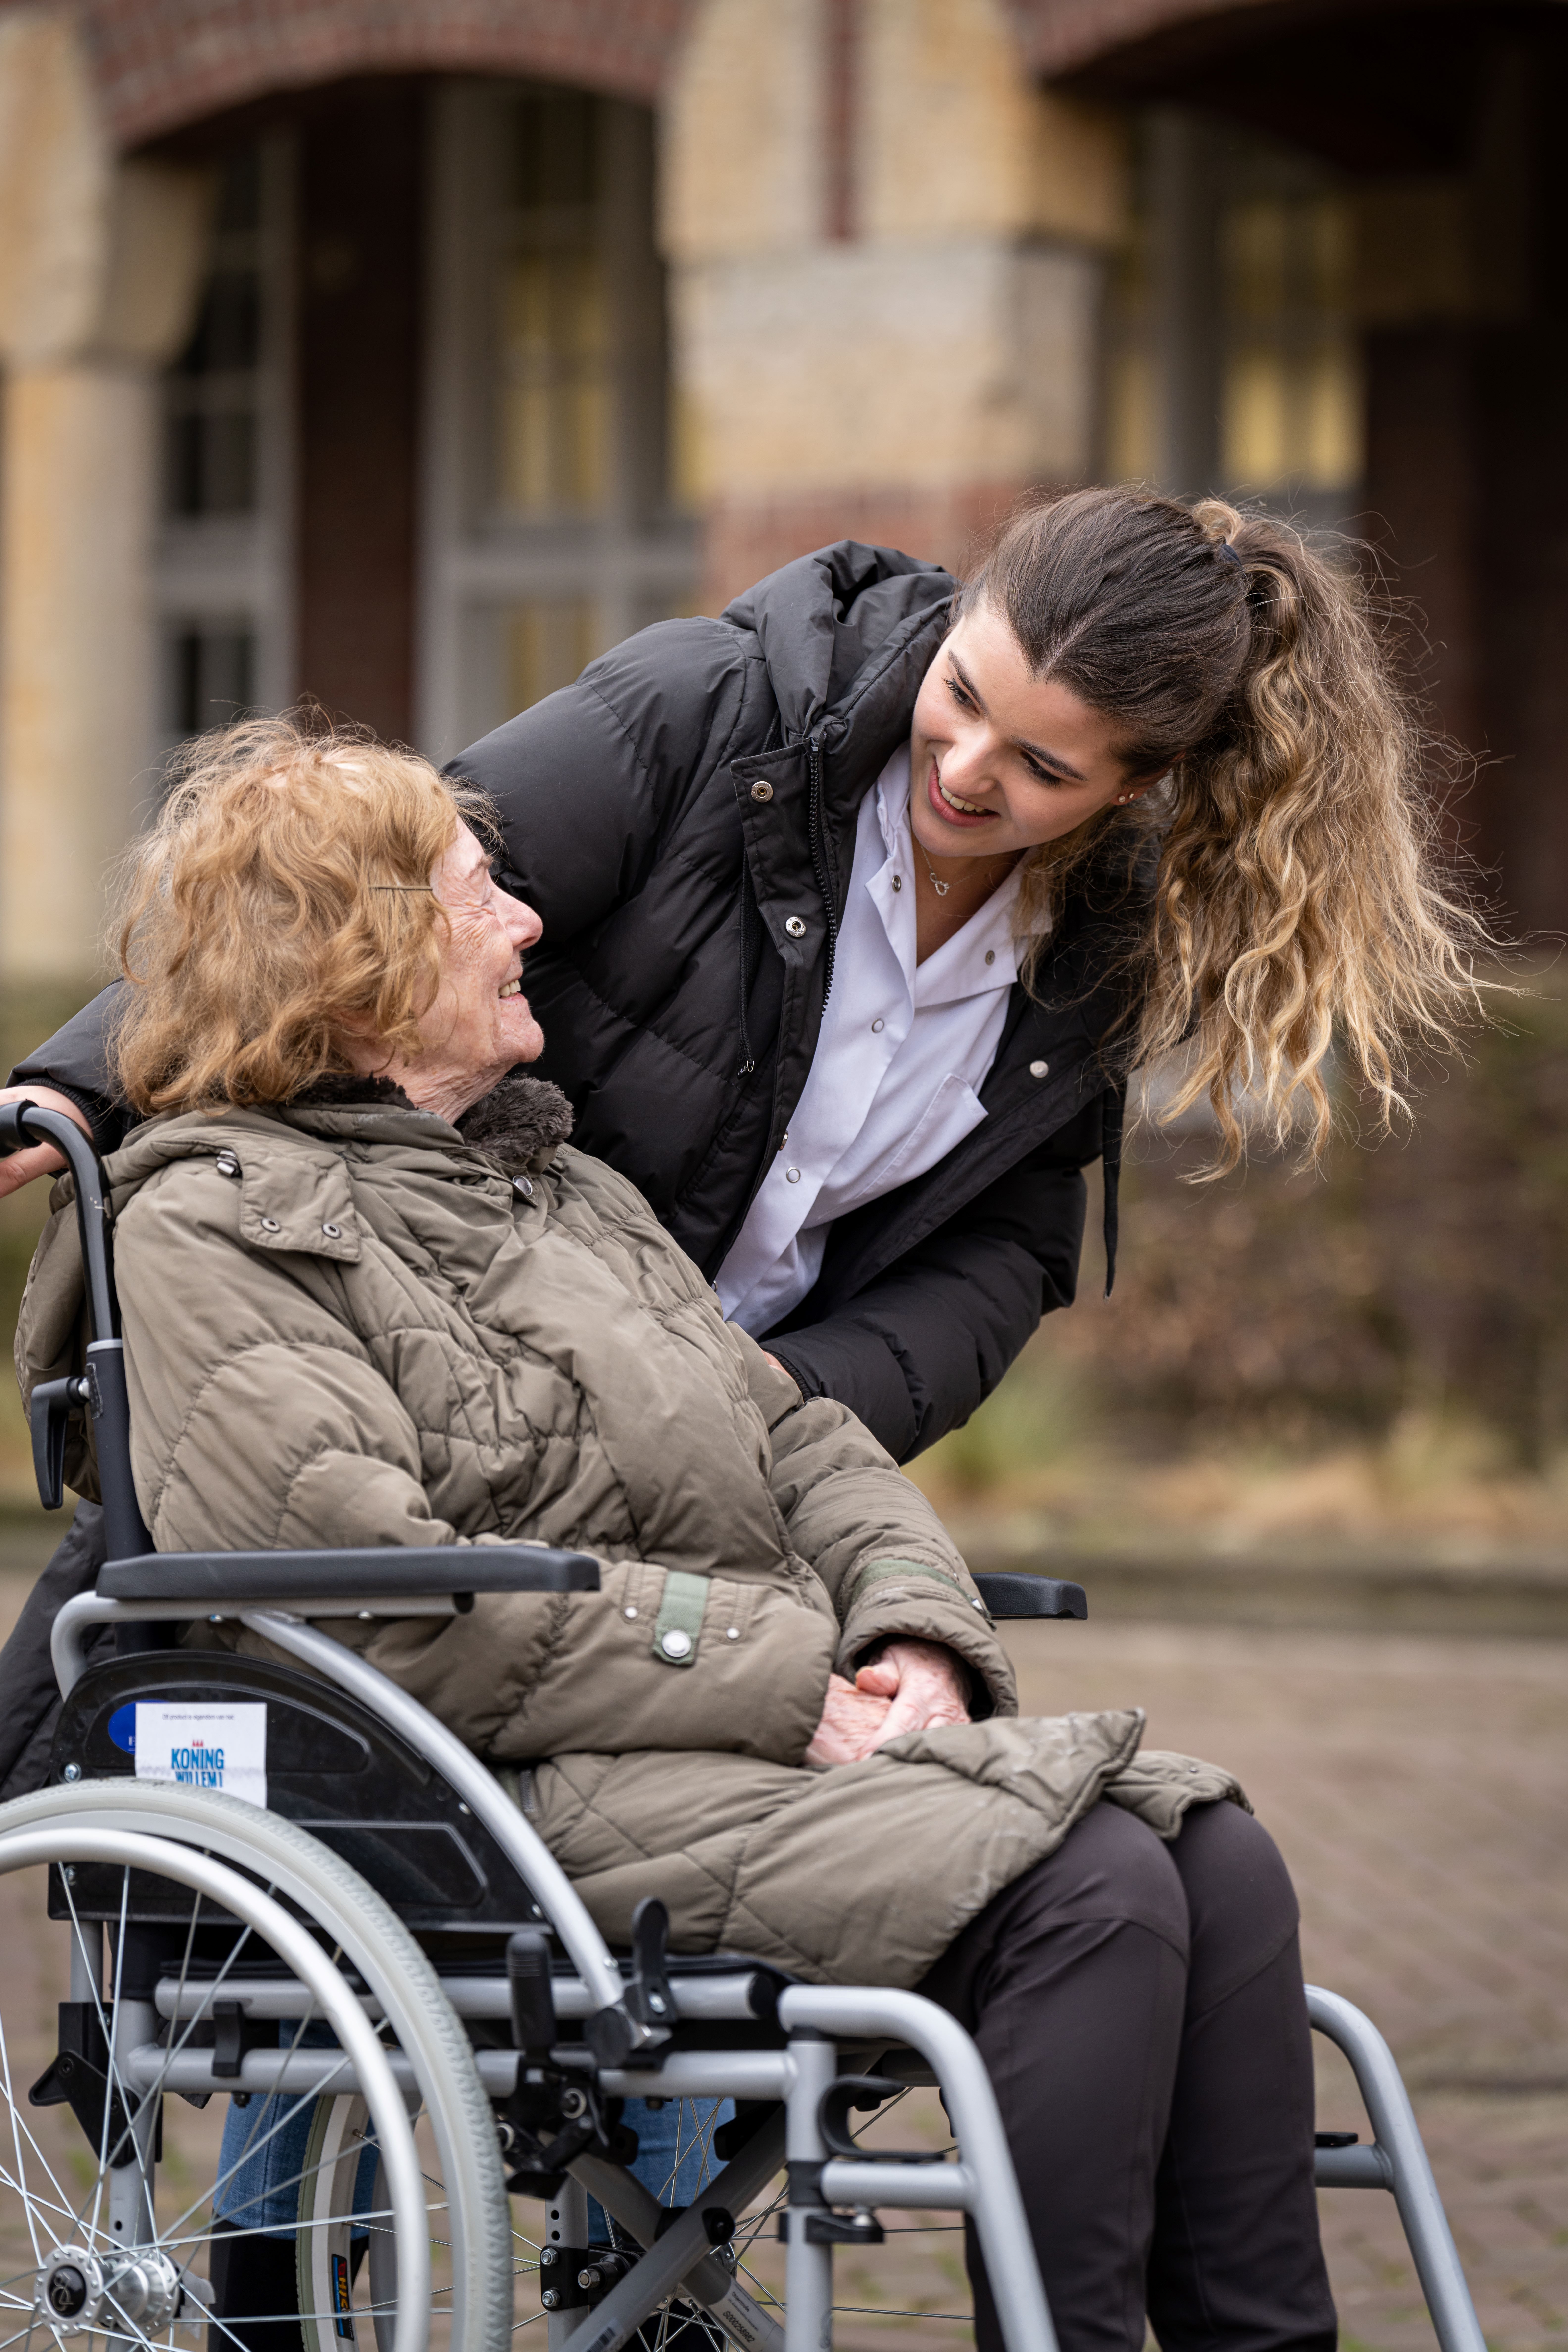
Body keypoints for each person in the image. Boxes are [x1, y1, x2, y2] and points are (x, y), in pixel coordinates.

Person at [18, 722, 1336, 2352]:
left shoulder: (564, 1195)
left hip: (701, 1758)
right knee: (1096, 1892)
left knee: (1222, 1855)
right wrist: (792, 1681)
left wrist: (907, 1637)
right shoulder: (215, 1224)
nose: (525, 922)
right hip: (496, 1807)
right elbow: (383, 1615)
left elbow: (802, 1439)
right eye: (474, 892)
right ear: (354, 964)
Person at [1, 488, 1476, 1467]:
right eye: (960, 696)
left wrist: (797, 1401)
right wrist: (64, 1085)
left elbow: (1002, 1258)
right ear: (953, 622)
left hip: (722, 1452)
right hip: (446, 1381)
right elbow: (370, 904)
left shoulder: (1111, 942)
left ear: (1134, 786)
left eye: (1041, 768)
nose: (962, 770)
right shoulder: (716, 706)